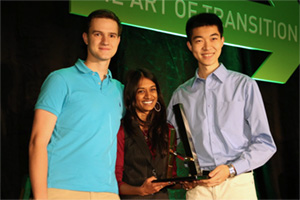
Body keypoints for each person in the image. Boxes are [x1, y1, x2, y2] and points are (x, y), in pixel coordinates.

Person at [166, 13, 277, 200]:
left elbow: (265, 144)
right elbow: (167, 143)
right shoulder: (181, 94)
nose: (207, 47)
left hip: (237, 184)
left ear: (222, 41)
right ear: (190, 46)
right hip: (198, 187)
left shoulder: (244, 85)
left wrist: (232, 169)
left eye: (213, 39)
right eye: (199, 40)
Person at [29, 9, 124, 199]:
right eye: (98, 34)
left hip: (107, 193)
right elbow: (37, 142)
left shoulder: (120, 89)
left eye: (112, 35)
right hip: (61, 189)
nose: (105, 41)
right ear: (86, 38)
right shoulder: (60, 80)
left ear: (118, 41)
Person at [115, 68, 180, 199]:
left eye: (152, 89)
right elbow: (115, 182)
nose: (149, 96)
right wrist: (141, 190)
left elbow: (170, 178)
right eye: (141, 91)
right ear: (131, 95)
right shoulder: (121, 130)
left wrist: (186, 183)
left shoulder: (167, 130)